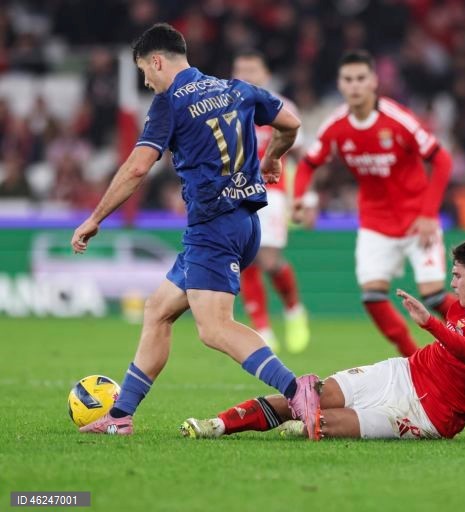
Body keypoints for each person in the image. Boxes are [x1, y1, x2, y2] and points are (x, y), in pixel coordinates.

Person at [69, 23, 319, 436]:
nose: (147, 82)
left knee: (214, 328)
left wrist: (95, 218)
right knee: (159, 310)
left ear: (157, 60)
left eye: (144, 72)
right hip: (245, 221)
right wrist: (273, 158)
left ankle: (298, 390)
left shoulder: (170, 103)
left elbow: (136, 168)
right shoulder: (236, 89)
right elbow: (289, 123)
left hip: (213, 226)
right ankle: (119, 417)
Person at [179, 237, 465, 440]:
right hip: (402, 372)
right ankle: (217, 425)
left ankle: (299, 426)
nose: (452, 283)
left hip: (431, 414)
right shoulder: (460, 306)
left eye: (458, 275)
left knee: (319, 424)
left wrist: (430, 326)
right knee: (310, 395)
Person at [292, 49, 457, 357]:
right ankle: (414, 358)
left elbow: (442, 160)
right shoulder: (336, 126)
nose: (354, 85)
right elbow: (308, 164)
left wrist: (429, 214)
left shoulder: (398, 119)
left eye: (360, 78)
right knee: (372, 295)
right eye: (348, 79)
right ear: (340, 85)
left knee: (434, 297)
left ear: (374, 82)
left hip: (416, 219)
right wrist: (302, 197)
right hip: (375, 223)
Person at [232, 50, 310, 354]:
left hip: (271, 192)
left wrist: (307, 196)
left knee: (268, 259)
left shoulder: (280, 106)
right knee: (245, 259)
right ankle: (262, 329)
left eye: (252, 69)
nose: (246, 74)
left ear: (265, 74)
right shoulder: (224, 103)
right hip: (234, 191)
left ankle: (293, 309)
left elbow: (303, 155)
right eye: (240, 69)